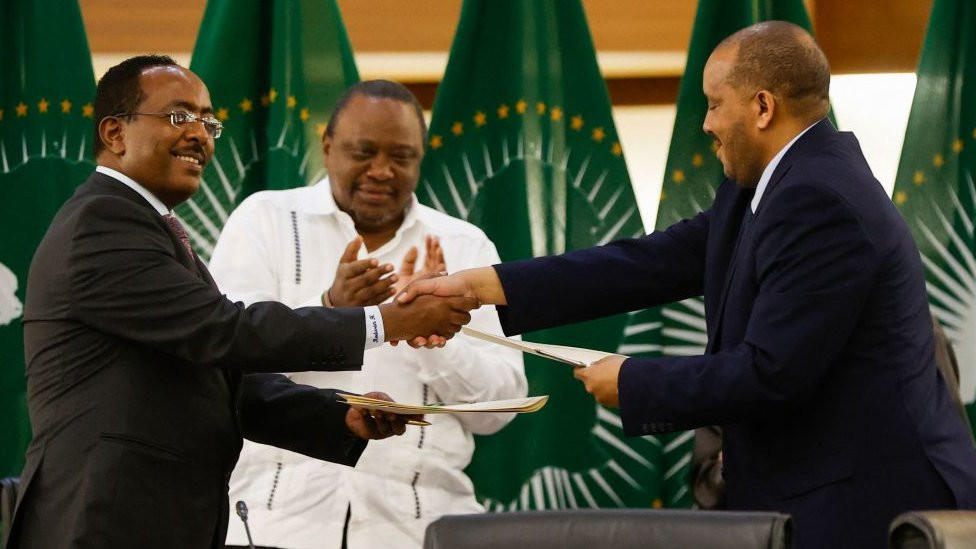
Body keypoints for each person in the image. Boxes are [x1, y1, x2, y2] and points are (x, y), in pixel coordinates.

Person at [399, 22, 976, 549]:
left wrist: (634, 381)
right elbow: (650, 263)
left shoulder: (820, 199)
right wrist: (482, 287)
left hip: (870, 509)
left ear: (763, 107)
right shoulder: (769, 184)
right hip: (824, 494)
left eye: (713, 105)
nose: (705, 124)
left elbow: (772, 373)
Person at [7, 56, 477, 549]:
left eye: (208, 121)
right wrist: (380, 323)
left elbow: (215, 377)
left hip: (155, 517)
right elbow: (227, 332)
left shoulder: (152, 227)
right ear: (114, 132)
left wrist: (339, 414)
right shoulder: (102, 222)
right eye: (178, 116)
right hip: (104, 520)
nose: (200, 134)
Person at [210, 80, 526, 549]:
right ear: (328, 146)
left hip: (418, 530)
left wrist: (435, 339)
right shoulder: (266, 220)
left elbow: (500, 408)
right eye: (364, 152)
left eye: (401, 157)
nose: (381, 171)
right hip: (273, 523)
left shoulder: (465, 246)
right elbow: (222, 368)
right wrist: (330, 314)